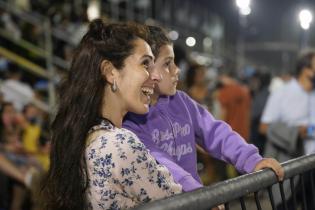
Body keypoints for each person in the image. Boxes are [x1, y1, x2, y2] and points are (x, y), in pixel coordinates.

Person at [123, 25, 284, 193]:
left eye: (175, 62)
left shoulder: (181, 101)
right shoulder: (131, 118)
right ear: (146, 67)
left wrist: (251, 159)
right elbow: (159, 161)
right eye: (167, 64)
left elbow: (215, 132)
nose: (176, 70)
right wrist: (196, 192)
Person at [41, 19, 182, 210]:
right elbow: (184, 204)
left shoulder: (85, 137)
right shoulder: (118, 144)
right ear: (110, 72)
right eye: (145, 64)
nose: (155, 76)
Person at [260, 51, 315, 210]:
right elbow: (264, 127)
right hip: (290, 165)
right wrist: (297, 133)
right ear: (306, 69)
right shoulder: (282, 92)